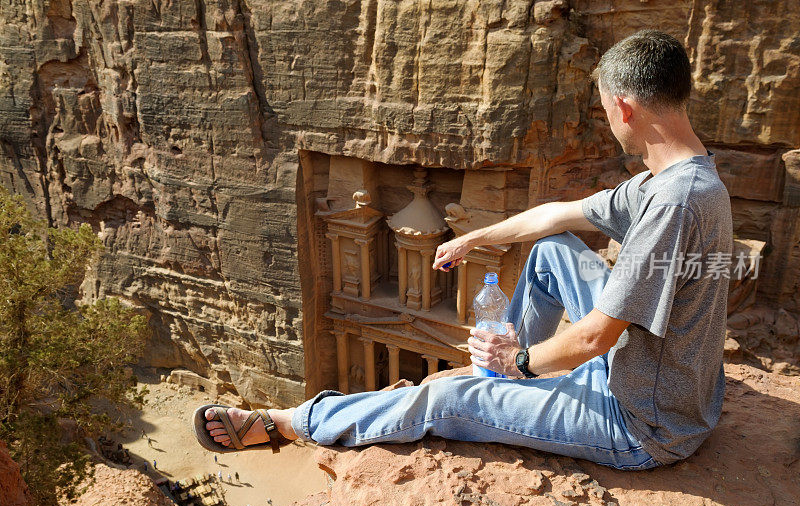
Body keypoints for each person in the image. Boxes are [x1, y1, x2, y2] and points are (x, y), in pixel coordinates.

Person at [198, 30, 732, 470]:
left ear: (624, 106)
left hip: (642, 422)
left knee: (445, 400)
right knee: (551, 249)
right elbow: (556, 216)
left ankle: (289, 423)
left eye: (606, 112)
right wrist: (474, 238)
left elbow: (595, 336)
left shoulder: (673, 204)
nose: (610, 124)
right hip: (663, 378)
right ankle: (496, 381)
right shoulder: (680, 179)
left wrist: (521, 361)